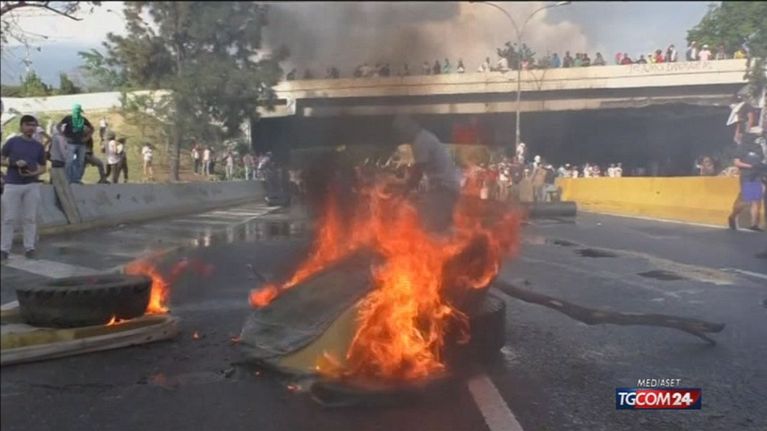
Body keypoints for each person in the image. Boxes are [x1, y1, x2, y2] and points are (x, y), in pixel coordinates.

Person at [391, 115, 460, 233]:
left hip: (443, 188)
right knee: (442, 226)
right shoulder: (425, 137)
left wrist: (403, 194)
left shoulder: (420, 142)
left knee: (431, 226)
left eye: (401, 132)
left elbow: (418, 172)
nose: (402, 137)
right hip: (447, 187)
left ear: (408, 128)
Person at [1, 115, 47, 261]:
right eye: (28, 125)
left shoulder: (38, 146)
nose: (31, 128)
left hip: (31, 185)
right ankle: (4, 249)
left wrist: (34, 173)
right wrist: (14, 164)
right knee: (8, 218)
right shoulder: (12, 142)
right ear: (21, 126)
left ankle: (29, 247)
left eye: (33, 125)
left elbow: (43, 167)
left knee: (30, 218)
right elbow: (1, 159)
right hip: (12, 184)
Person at [728, 135, 765, 231]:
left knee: (756, 200)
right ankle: (732, 216)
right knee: (746, 201)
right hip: (747, 176)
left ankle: (754, 224)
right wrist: (750, 166)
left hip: (757, 176)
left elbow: (761, 160)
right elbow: (737, 162)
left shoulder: (758, 148)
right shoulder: (741, 148)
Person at [59, 103, 94, 184]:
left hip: (81, 143)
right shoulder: (68, 118)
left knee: (80, 162)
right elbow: (58, 126)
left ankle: (76, 179)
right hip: (70, 143)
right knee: (69, 161)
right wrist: (64, 137)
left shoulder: (83, 119)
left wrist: (87, 138)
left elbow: (92, 128)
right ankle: (67, 178)